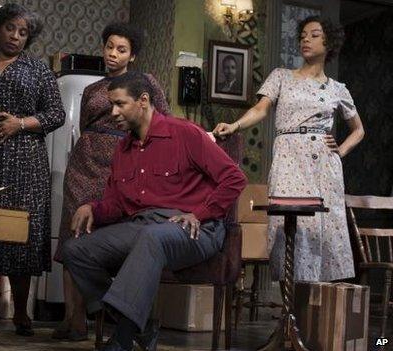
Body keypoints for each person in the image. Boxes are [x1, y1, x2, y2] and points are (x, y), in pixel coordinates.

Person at [62, 72, 247, 351]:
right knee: (75, 249)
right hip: (143, 225)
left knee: (151, 237)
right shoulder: (123, 150)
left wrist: (200, 213)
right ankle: (141, 328)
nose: (112, 112)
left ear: (144, 101)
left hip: (195, 228)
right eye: (112, 105)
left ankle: (122, 340)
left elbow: (234, 179)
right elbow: (117, 206)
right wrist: (92, 208)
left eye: (120, 104)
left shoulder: (185, 133)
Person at [213, 16, 365, 282]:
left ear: (329, 43)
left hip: (323, 165)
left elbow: (359, 130)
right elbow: (260, 109)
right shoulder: (281, 76)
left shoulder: (338, 89)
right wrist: (235, 126)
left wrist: (340, 151)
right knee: (289, 225)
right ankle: (288, 311)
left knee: (320, 229)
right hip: (289, 157)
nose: (306, 39)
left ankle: (312, 312)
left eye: (314, 34)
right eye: (303, 35)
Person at [51, 23, 170, 342]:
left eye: (122, 49)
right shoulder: (91, 89)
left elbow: (163, 123)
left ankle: (122, 318)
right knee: (72, 232)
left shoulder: (148, 83)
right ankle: (72, 318)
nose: (113, 54)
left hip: (124, 163)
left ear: (132, 55)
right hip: (84, 162)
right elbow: (82, 125)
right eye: (110, 47)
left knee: (113, 237)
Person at [0, 3, 65, 336]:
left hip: (25, 162)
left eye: (23, 33)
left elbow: (56, 115)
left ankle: (20, 313)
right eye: (10, 29)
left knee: (23, 235)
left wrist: (20, 124)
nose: (16, 37)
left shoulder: (39, 70)